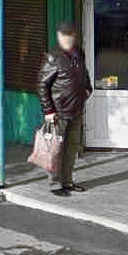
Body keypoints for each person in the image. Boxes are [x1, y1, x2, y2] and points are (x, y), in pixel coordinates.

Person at [36, 21, 93, 196]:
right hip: (58, 113)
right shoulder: (52, 57)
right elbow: (41, 85)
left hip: (76, 110)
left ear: (74, 36)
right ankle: (54, 185)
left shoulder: (79, 54)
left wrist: (88, 89)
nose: (67, 38)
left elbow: (84, 74)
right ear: (59, 36)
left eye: (70, 35)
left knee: (71, 147)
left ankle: (67, 182)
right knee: (55, 149)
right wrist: (48, 111)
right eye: (64, 35)